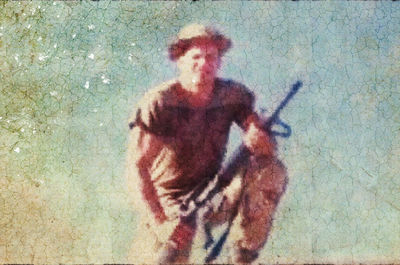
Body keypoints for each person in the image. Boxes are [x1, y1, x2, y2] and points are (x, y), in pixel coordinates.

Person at [125, 23, 287, 264]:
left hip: (215, 195)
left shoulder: (233, 95)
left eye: (211, 57)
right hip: (168, 206)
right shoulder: (158, 103)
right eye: (196, 57)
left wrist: (260, 138)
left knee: (270, 170)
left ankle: (242, 257)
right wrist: (160, 224)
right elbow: (135, 169)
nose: (204, 64)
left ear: (219, 62)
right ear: (179, 61)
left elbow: (264, 144)